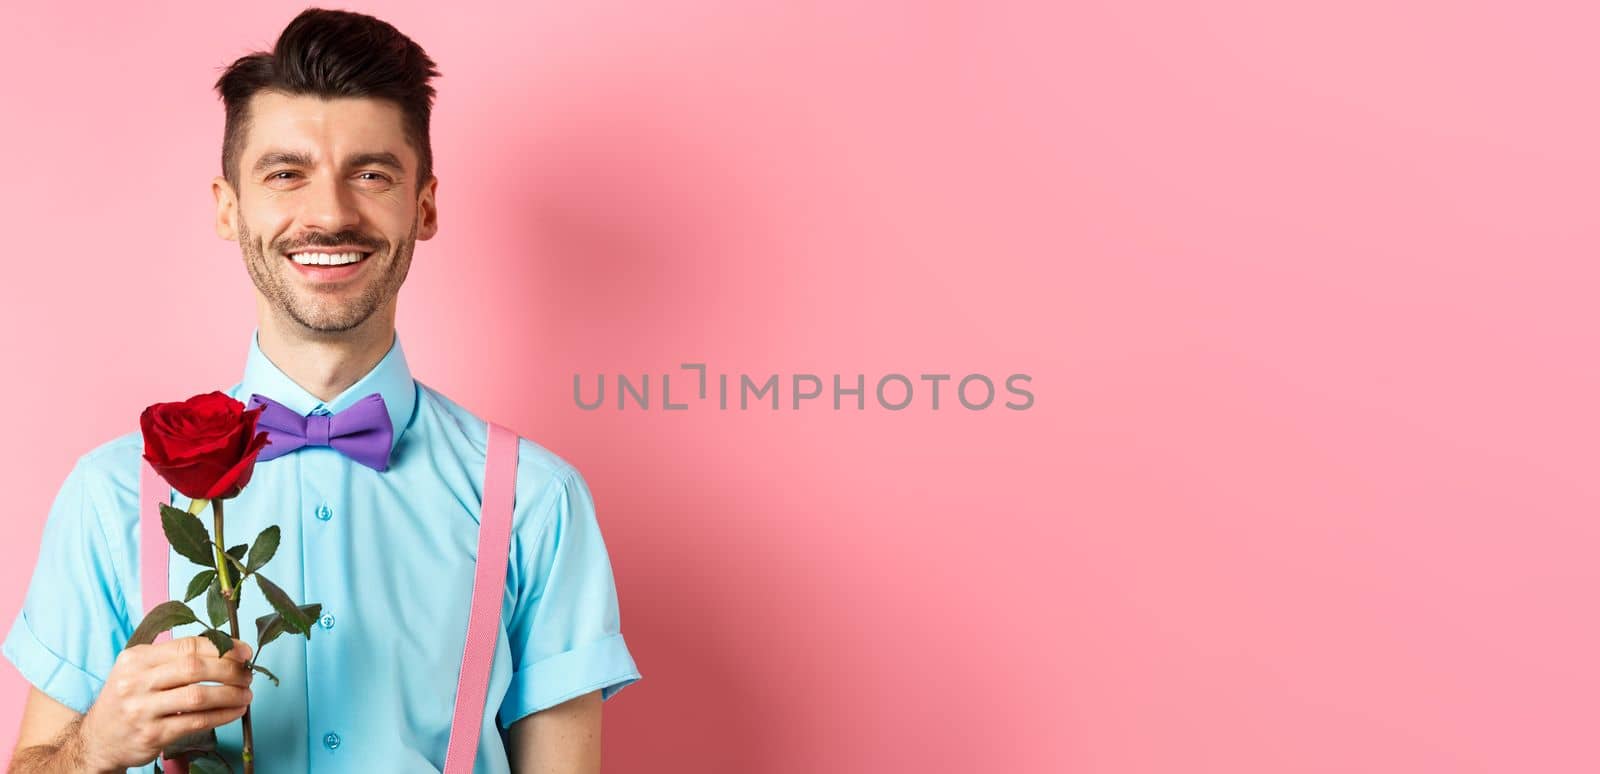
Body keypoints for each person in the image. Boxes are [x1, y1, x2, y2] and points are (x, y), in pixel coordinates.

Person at [3, 8, 640, 773]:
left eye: (371, 174)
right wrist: (91, 750)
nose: (331, 213)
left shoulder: (536, 501)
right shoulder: (111, 497)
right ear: (228, 206)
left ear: (424, 206)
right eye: (285, 174)